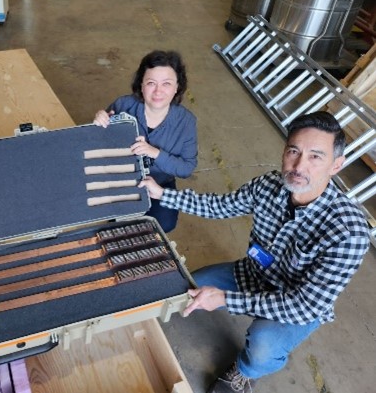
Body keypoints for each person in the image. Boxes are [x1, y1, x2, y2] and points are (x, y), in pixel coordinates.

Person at [139, 111, 370, 393]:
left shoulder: (349, 231)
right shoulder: (268, 185)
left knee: (262, 346)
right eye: (293, 151)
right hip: (253, 274)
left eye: (315, 157)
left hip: (295, 301)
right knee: (190, 286)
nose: (299, 166)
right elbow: (219, 206)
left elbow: (304, 305)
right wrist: (162, 194)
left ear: (336, 165)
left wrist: (225, 299)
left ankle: (245, 372)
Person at [93, 50, 198, 232]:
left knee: (163, 224)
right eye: (151, 83)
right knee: (116, 221)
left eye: (166, 84)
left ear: (177, 88)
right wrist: (98, 122)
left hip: (160, 183)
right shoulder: (123, 106)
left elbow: (187, 168)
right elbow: (98, 145)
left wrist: (155, 153)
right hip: (123, 176)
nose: (158, 91)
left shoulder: (186, 122)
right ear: (141, 84)